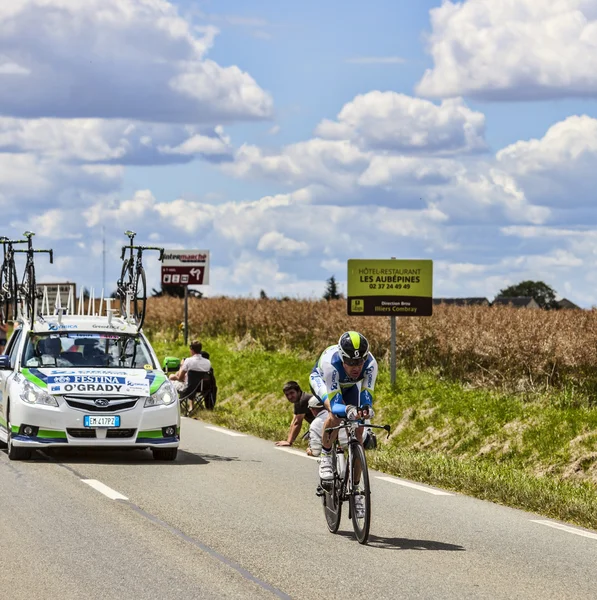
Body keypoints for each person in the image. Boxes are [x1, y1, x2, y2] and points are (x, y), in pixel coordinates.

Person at [309, 331, 378, 495]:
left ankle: (356, 489)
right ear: (341, 357)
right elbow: (336, 404)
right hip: (324, 382)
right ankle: (326, 455)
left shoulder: (370, 364)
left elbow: (366, 394)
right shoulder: (330, 364)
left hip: (349, 387)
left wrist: (366, 409)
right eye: (350, 362)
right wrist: (348, 409)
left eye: (359, 361)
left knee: (359, 431)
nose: (356, 367)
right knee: (335, 415)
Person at [169, 341, 212, 411]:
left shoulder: (189, 361)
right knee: (192, 382)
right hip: (202, 388)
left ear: (192, 350)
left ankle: (171, 405)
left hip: (188, 388)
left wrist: (172, 376)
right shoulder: (208, 362)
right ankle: (190, 406)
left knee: (170, 380)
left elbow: (180, 377)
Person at [275, 381, 315, 447]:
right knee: (304, 441)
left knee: (307, 443)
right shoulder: (298, 400)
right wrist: (288, 439)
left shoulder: (303, 400)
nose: (290, 396)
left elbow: (298, 423)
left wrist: (289, 442)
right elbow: (294, 421)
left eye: (292, 393)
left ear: (298, 391)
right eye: (287, 395)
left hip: (325, 426)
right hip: (319, 426)